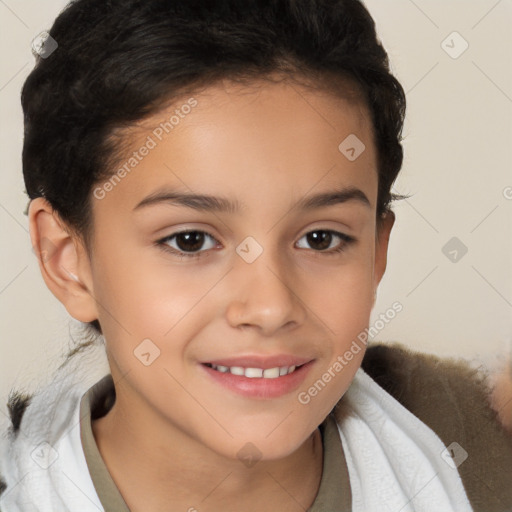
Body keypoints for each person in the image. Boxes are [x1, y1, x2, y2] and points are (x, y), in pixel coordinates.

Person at [1, 0, 511, 511]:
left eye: (320, 238)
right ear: (67, 260)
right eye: (190, 240)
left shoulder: (480, 446)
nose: (270, 307)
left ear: (377, 252)